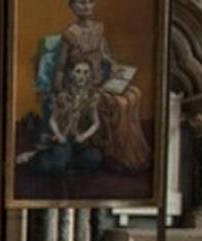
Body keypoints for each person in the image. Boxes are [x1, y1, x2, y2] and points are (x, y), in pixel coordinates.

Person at [51, 0, 151, 171]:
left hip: (100, 81)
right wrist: (59, 90)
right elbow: (61, 67)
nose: (86, 6)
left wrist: (114, 65)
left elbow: (105, 54)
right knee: (121, 103)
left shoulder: (98, 28)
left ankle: (131, 153)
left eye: (90, 2)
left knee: (134, 93)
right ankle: (118, 156)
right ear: (72, 7)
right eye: (81, 3)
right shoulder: (69, 34)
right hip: (83, 86)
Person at [30, 61, 103, 176]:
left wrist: (84, 136)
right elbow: (52, 120)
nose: (82, 76)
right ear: (71, 74)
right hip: (64, 139)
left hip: (80, 141)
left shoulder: (92, 97)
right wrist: (59, 136)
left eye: (86, 72)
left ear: (90, 75)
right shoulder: (63, 96)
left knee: (95, 158)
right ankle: (48, 156)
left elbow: (96, 123)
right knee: (57, 164)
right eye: (78, 72)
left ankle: (67, 161)